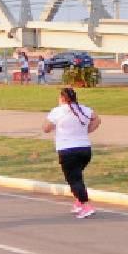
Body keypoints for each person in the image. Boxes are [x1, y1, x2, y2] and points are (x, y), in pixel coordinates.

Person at [44, 87, 102, 219]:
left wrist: (55, 125)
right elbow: (97, 120)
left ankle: (86, 205)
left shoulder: (58, 111)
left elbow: (46, 128)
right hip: (85, 149)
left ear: (62, 98)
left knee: (74, 179)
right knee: (76, 177)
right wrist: (86, 131)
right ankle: (78, 202)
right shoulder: (84, 109)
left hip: (68, 150)